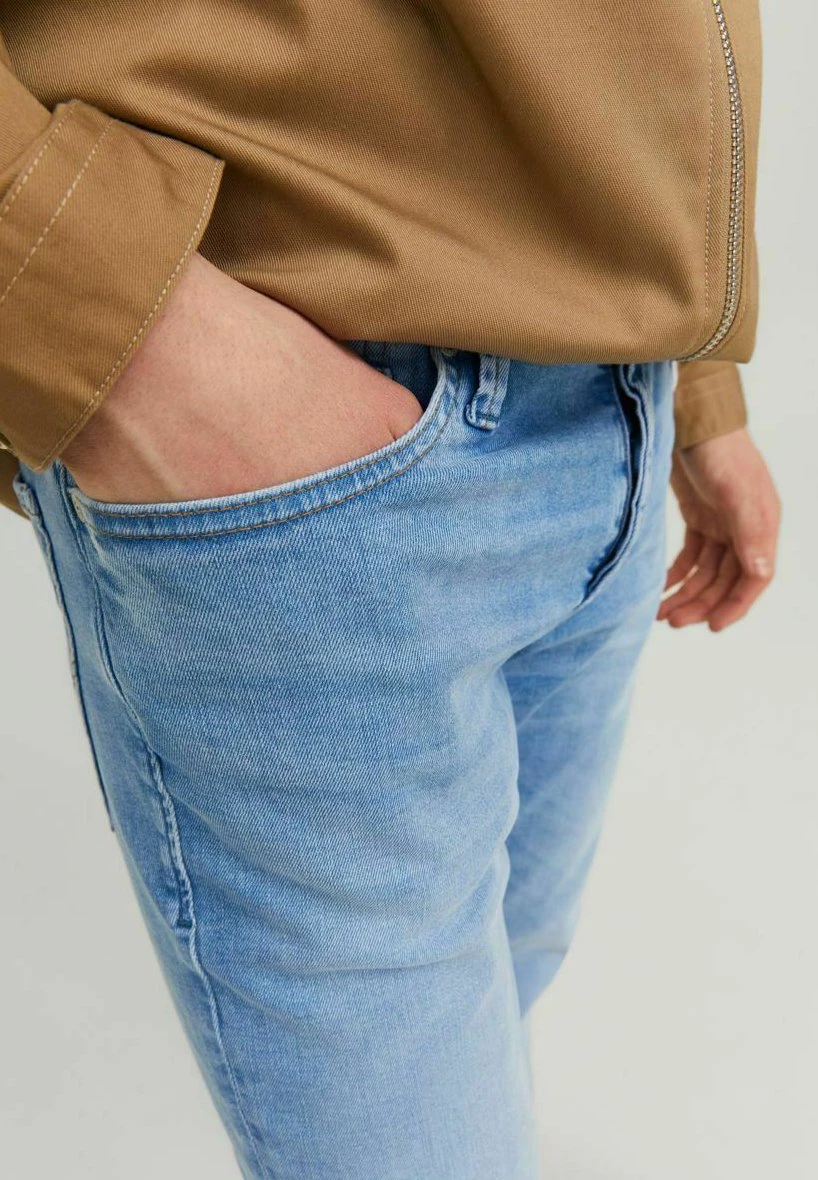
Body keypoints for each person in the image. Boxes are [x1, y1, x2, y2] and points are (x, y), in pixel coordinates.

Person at [1, 4, 779, 1177]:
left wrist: (700, 372)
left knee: (505, 995)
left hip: (615, 388)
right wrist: (106, 316)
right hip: (299, 458)